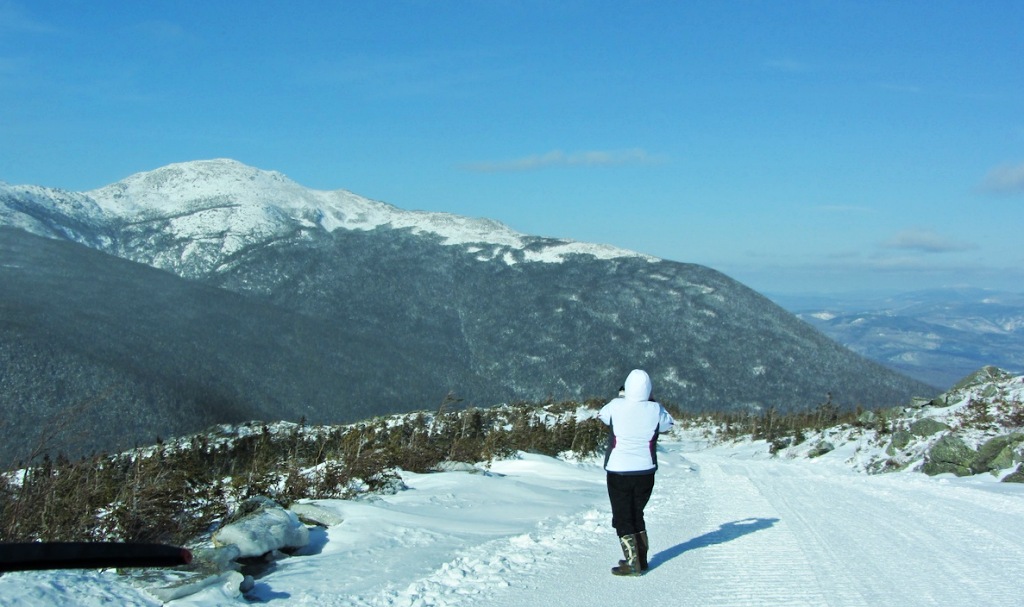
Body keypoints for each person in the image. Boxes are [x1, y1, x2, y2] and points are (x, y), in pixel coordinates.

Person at [598, 369, 675, 576]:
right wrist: (651, 402)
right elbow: (668, 424)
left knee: (622, 517)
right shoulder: (656, 409)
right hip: (646, 472)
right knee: (636, 513)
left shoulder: (615, 406)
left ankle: (633, 564)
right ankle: (641, 560)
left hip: (618, 470)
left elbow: (602, 416)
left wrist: (623, 398)